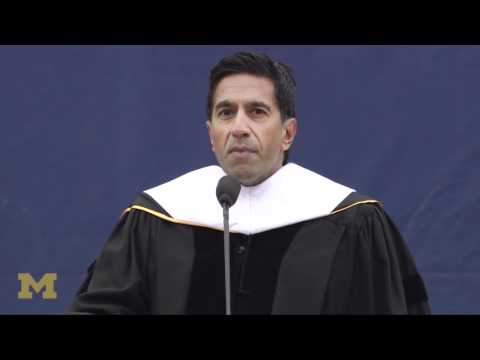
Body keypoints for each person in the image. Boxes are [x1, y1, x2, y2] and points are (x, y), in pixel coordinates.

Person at [68, 52, 430, 314]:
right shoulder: (157, 217)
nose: (239, 127)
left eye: (257, 111)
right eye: (226, 112)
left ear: (288, 132)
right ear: (212, 134)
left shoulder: (351, 222)